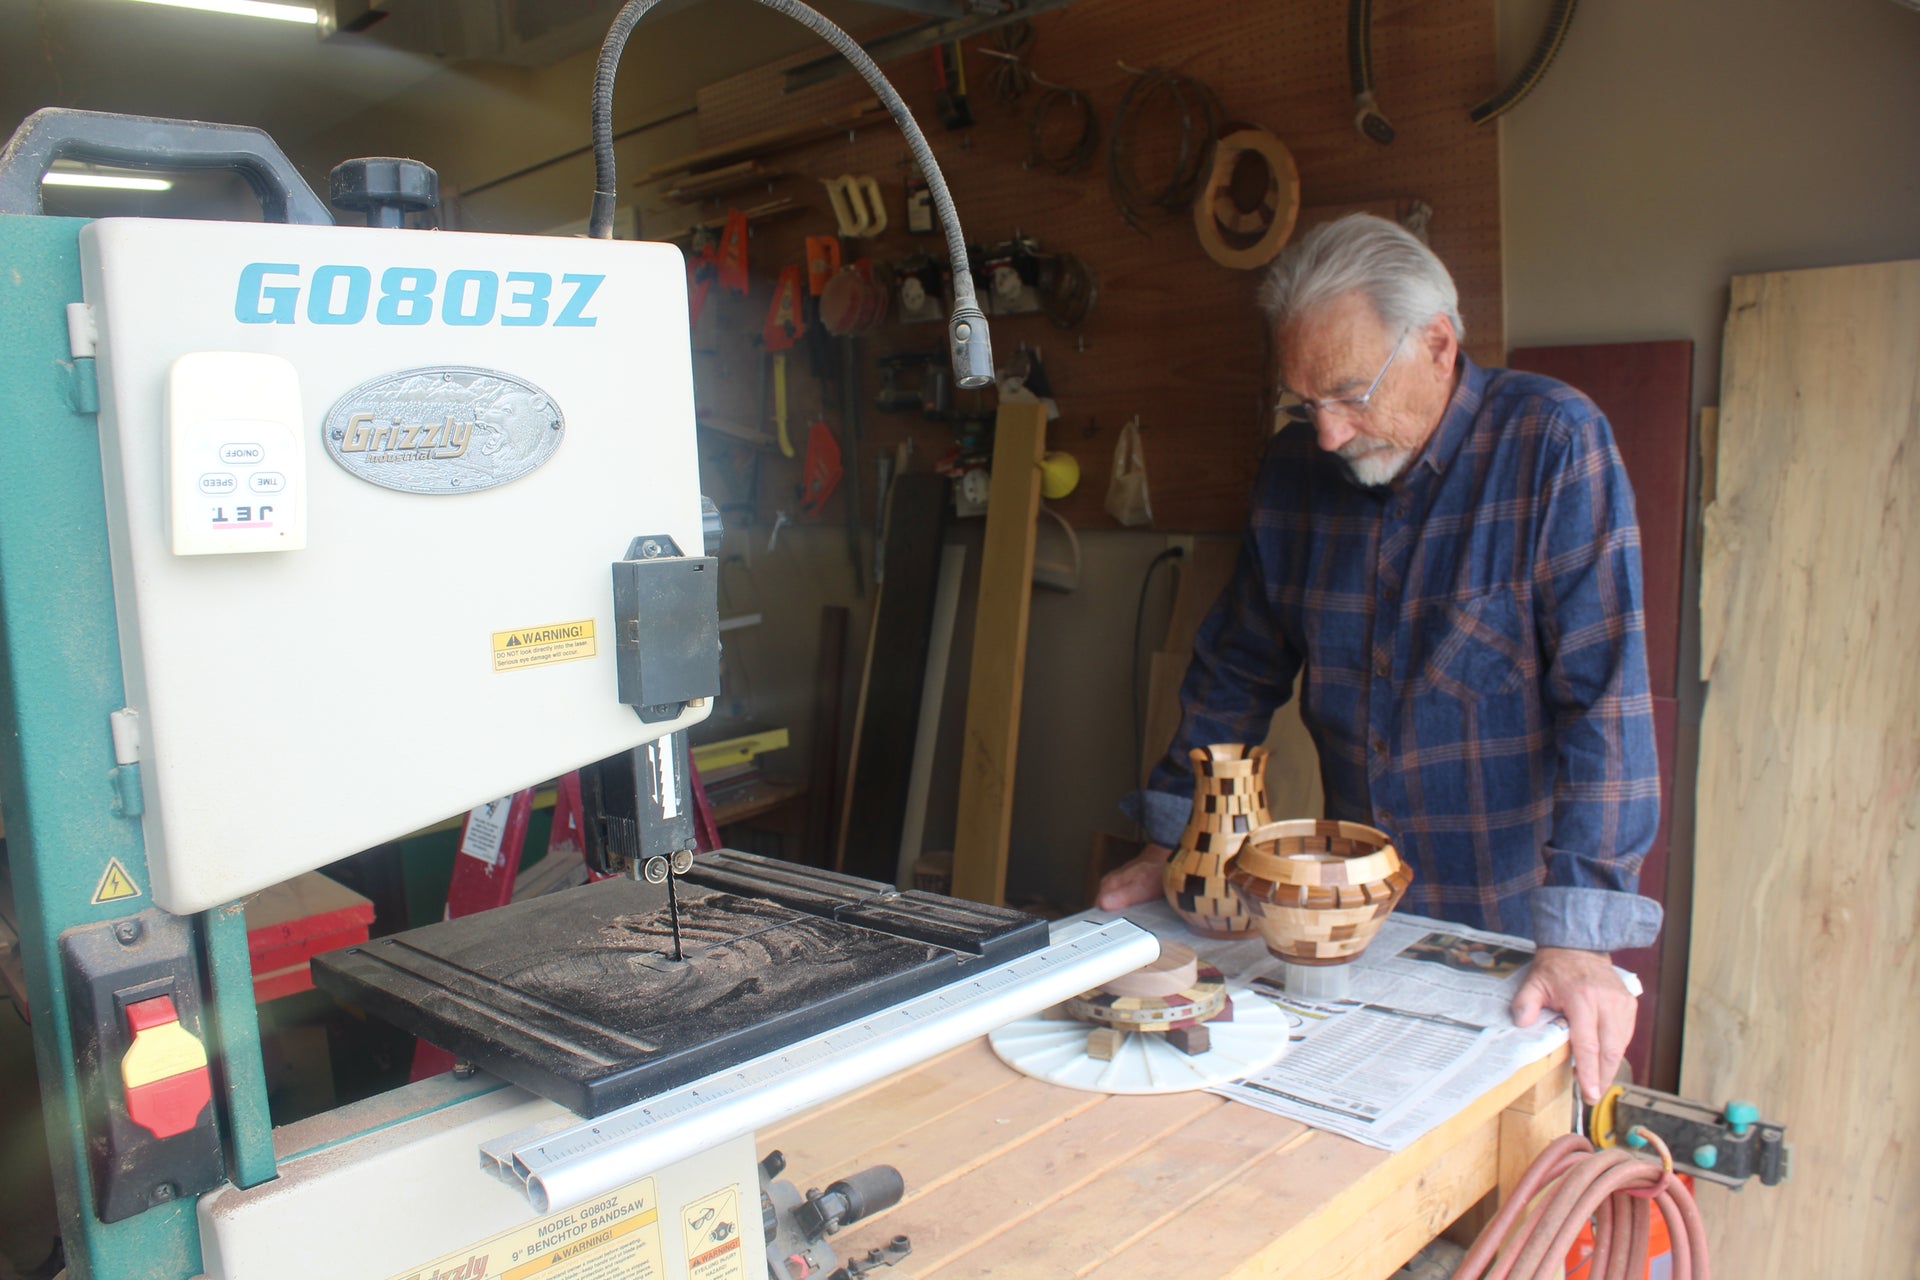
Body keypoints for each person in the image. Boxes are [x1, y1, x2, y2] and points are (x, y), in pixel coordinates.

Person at [1097, 214, 1661, 1105]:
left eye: (1351, 394)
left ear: (1438, 343)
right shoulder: (1295, 470)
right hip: (1348, 910)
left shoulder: (1551, 445)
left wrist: (1581, 932)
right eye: (1303, 403)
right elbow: (1237, 667)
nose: (1326, 433)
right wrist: (1173, 834)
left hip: (1515, 922)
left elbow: (1606, 700)